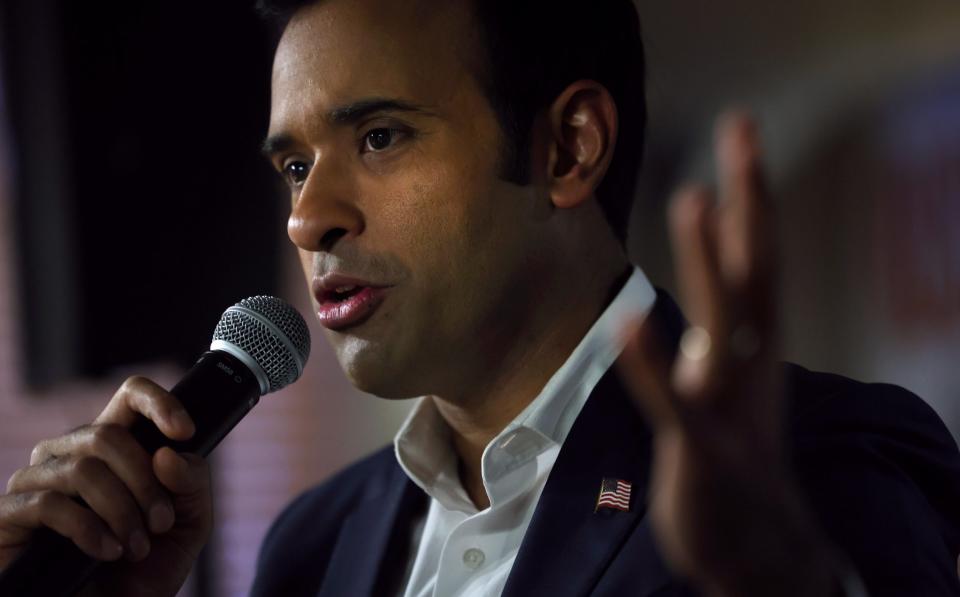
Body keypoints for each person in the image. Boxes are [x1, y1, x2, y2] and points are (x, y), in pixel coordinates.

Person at [2, 0, 959, 595]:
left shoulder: (817, 459)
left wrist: (778, 583)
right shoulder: (314, 545)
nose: (307, 219)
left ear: (567, 147)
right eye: (295, 165)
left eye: (378, 137)